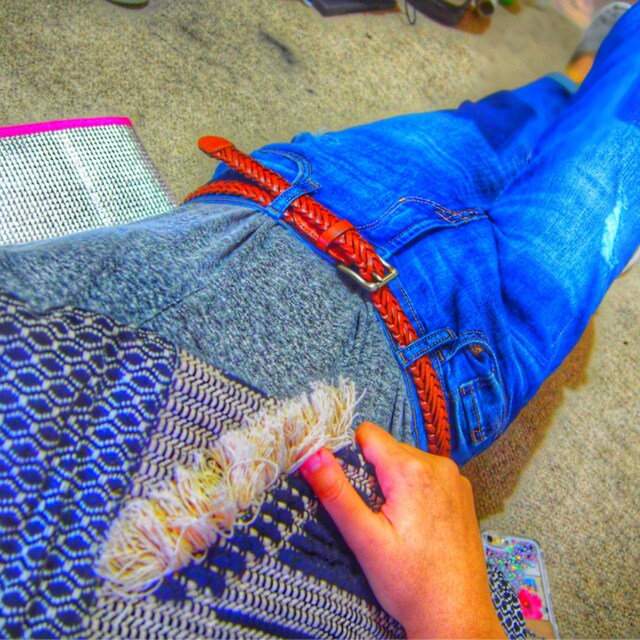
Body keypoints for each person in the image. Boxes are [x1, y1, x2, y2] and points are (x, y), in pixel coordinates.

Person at [0, 3, 638, 638]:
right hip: (454, 362)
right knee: (615, 132)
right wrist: (462, 620)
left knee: (511, 122)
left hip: (288, 197)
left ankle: (582, 73)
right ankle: (599, 67)